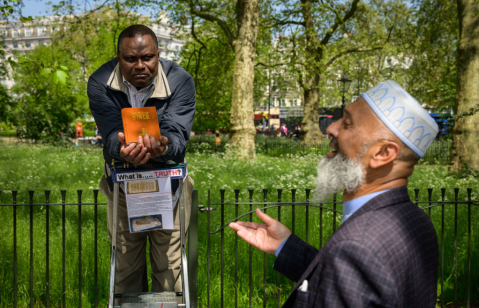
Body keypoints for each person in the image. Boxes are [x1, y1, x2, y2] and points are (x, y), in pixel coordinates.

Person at [230, 80, 439, 308]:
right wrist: (285, 246)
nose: (331, 128)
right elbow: (354, 284)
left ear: (382, 153)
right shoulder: (416, 222)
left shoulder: (356, 246)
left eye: (347, 124)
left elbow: (355, 268)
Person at [88, 25, 196, 297]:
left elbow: (178, 134)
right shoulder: (100, 81)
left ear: (158, 54)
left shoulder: (180, 80)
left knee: (170, 268)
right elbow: (110, 132)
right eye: (130, 59)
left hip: (169, 188)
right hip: (124, 187)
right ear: (118, 56)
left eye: (147, 57)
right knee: (124, 268)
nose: (140, 65)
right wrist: (121, 148)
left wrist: (163, 146)